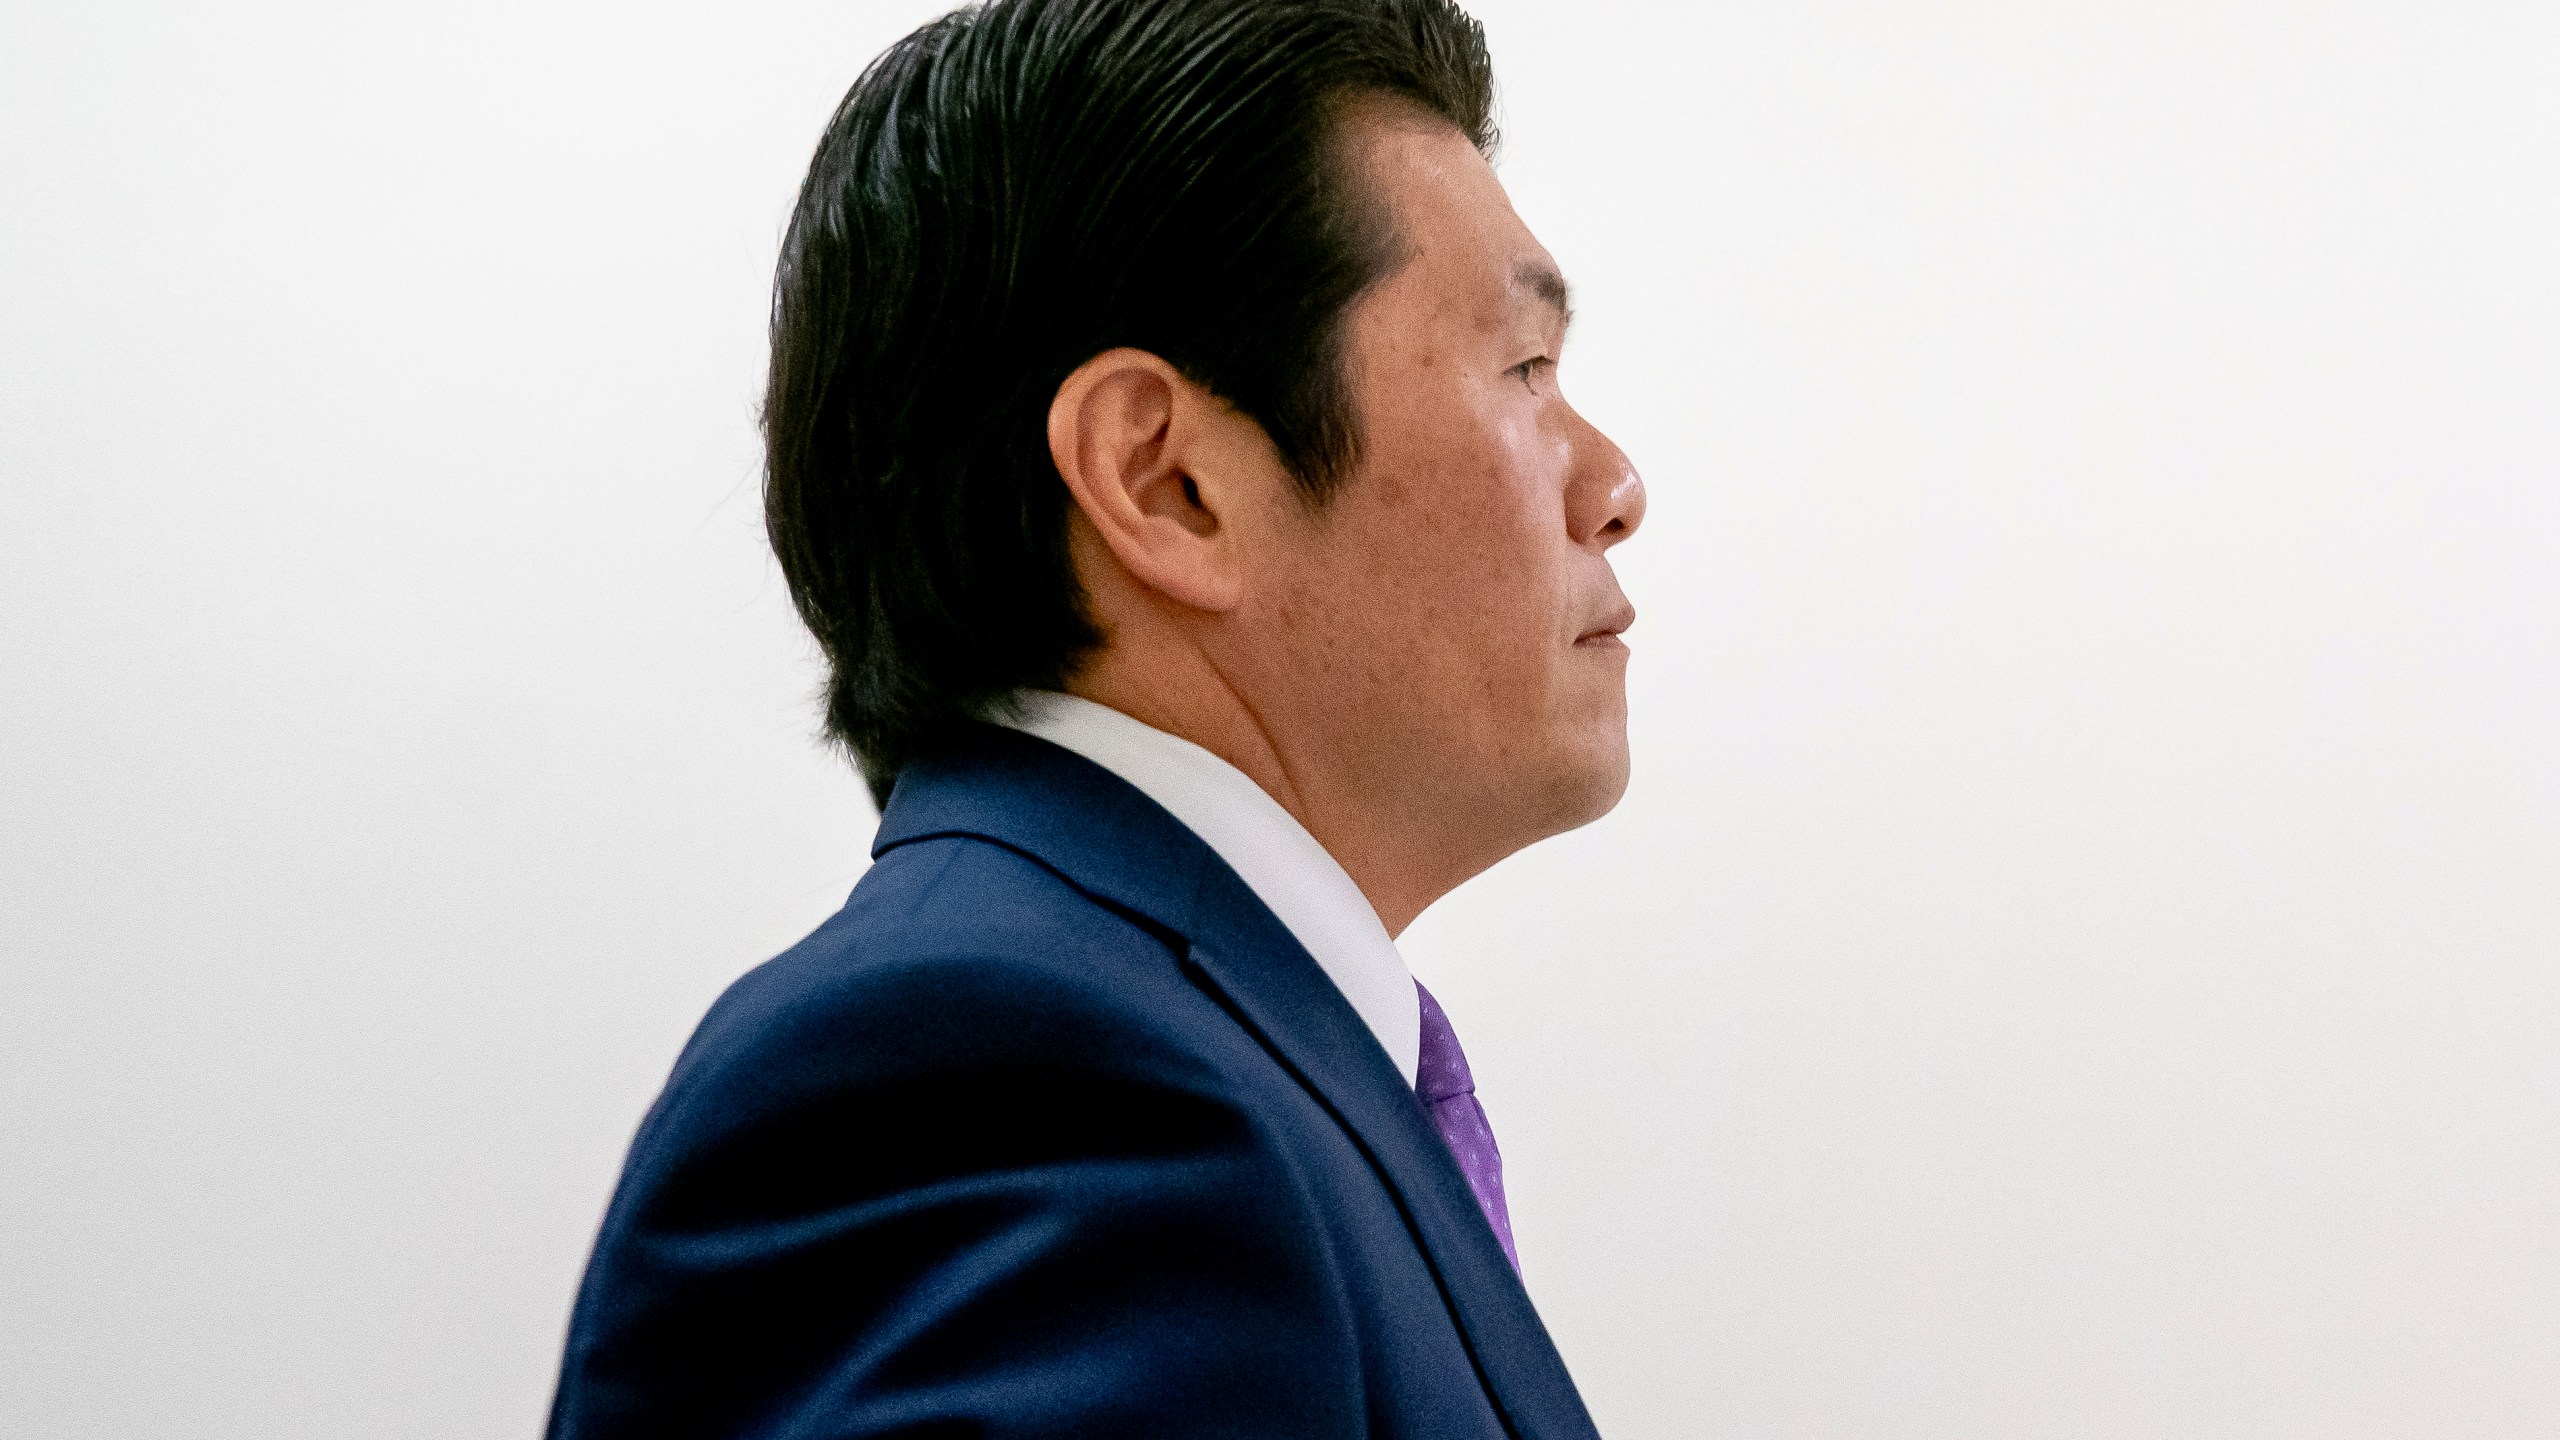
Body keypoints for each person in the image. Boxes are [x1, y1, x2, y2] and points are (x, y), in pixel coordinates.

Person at [547, 0, 1644, 1433]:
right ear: (1164, 481)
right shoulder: (1034, 1079)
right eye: (1524, 370)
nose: (1614, 482)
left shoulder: (1186, 1067)